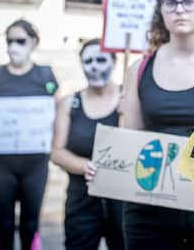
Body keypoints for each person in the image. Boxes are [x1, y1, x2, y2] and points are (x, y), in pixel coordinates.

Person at [119, 0, 194, 250]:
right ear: (160, 10)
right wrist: (106, 167)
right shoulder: (138, 69)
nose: (179, 9)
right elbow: (127, 142)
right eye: (170, 2)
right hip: (148, 213)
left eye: (189, 0)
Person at [0, 19, 58, 250]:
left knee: (31, 223)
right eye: (9, 41)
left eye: (20, 41)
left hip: (35, 163)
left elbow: (57, 114)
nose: (13, 46)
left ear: (33, 43)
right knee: (4, 223)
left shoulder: (45, 76)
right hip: (0, 163)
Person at [50, 38, 125, 250]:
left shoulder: (128, 98)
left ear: (114, 61)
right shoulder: (69, 103)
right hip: (81, 199)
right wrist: (86, 166)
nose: (94, 66)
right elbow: (56, 152)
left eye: (101, 60)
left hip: (121, 200)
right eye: (88, 61)